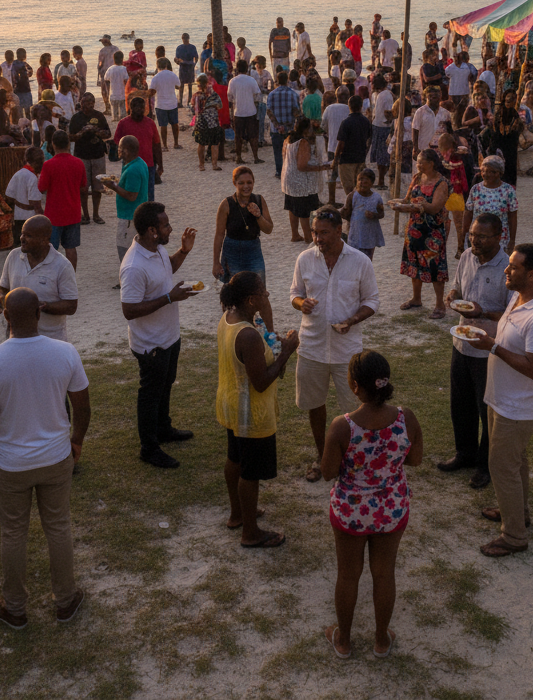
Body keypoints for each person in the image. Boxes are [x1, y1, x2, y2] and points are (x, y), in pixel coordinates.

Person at [0, 287, 90, 628]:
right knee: (58, 527)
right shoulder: (65, 353)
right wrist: (76, 441)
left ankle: (15, 607)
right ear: (39, 314)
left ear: (5, 316)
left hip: (11, 463)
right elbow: (82, 406)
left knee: (13, 533)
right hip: (55, 457)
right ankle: (65, 601)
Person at [322, 350, 423, 659]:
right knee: (384, 573)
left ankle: (344, 641)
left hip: (351, 513)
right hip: (391, 510)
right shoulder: (405, 418)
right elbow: (416, 460)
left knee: (348, 575)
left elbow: (327, 472)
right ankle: (381, 640)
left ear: (354, 386)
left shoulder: (343, 426)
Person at [471, 244, 533, 557]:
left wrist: (493, 348)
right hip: (503, 398)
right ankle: (517, 513)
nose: (506, 271)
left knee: (501, 466)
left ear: (532, 275)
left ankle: (514, 537)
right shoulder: (519, 298)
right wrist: (480, 315)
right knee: (516, 461)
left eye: (513, 267)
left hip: (519, 406)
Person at [290, 207, 380, 483]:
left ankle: (352, 458)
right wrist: (300, 303)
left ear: (339, 231)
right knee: (315, 405)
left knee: (353, 408)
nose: (317, 237)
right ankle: (322, 457)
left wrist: (352, 320)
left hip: (347, 350)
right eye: (315, 232)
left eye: (323, 233)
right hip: (312, 346)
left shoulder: (360, 261)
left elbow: (372, 301)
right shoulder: (305, 259)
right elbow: (294, 293)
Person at [216, 272, 299, 548]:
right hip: (251, 412)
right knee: (250, 472)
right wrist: (287, 352)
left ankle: (237, 514)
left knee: (235, 458)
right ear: (251, 299)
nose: (267, 297)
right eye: (263, 293)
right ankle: (250, 533)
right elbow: (261, 382)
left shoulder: (229, 319)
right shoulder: (248, 335)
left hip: (231, 404)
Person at [119, 202, 198, 468]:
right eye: (165, 225)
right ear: (152, 230)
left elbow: (167, 270)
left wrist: (183, 252)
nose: (170, 228)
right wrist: (168, 298)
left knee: (166, 384)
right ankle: (149, 448)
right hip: (150, 343)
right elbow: (129, 310)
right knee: (151, 394)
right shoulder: (133, 266)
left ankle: (164, 430)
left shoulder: (157, 249)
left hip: (169, 336)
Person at [439, 213, 514, 488]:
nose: (475, 240)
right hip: (462, 341)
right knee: (461, 405)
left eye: (481, 236)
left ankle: (485, 465)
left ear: (499, 237)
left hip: (489, 349)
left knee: (487, 412)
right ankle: (464, 453)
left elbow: (512, 313)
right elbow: (458, 286)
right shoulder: (467, 256)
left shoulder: (507, 267)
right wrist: (453, 297)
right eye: (472, 234)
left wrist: (486, 313)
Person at [0, 216, 78, 342]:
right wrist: (1, 298)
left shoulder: (62, 265)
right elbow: (3, 287)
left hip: (50, 339)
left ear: (44, 240)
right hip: (16, 338)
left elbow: (71, 306)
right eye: (22, 234)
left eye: (29, 236)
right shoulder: (13, 256)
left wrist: (45, 306)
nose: (22, 239)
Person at [213, 167, 274, 326]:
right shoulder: (226, 204)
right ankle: (233, 328)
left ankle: (271, 334)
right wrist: (216, 262)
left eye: (249, 182)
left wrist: (258, 215)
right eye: (241, 183)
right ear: (234, 183)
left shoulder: (259, 200)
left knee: (261, 295)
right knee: (231, 296)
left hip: (253, 251)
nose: (246, 186)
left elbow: (268, 229)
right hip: (232, 252)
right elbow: (219, 234)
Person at [396, 149, 451, 318]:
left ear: (432, 163)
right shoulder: (417, 178)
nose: (418, 165)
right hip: (415, 228)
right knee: (414, 265)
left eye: (421, 162)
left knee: (435, 267)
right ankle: (416, 298)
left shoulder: (442, 183)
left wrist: (419, 204)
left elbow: (435, 208)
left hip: (433, 231)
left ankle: (440, 305)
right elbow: (407, 200)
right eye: (417, 162)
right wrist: (399, 205)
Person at [37, 130, 88, 271]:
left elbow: (41, 188)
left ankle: (51, 277)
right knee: (71, 248)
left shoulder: (48, 165)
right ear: (68, 144)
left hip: (54, 214)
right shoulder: (78, 163)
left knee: (51, 249)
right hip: (73, 212)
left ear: (53, 144)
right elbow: (83, 186)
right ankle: (70, 277)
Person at [281, 117, 329, 244]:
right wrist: (320, 168)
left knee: (292, 207)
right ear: (307, 129)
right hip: (300, 181)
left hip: (288, 178)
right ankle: (308, 237)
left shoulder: (288, 139)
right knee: (304, 211)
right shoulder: (303, 142)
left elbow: (284, 156)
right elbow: (302, 166)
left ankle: (295, 234)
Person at [68, 92, 111, 226]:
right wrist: (82, 132)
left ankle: (96, 214)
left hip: (98, 155)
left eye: (92, 101)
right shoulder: (76, 118)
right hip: (81, 156)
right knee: (83, 188)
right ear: (81, 103)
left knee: (98, 186)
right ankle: (85, 214)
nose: (91, 104)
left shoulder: (99, 116)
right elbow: (70, 137)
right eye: (87, 102)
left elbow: (108, 134)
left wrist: (97, 131)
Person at [114, 95, 162, 202]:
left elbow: (156, 145)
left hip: (148, 165)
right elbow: (117, 142)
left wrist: (160, 164)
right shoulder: (123, 123)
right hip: (129, 165)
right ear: (130, 108)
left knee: (149, 194)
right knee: (130, 192)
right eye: (137, 108)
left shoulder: (150, 123)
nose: (140, 110)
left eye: (142, 108)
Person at [110, 135, 149, 263]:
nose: (118, 150)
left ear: (126, 150)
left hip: (129, 216)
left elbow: (132, 196)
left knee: (125, 249)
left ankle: (126, 281)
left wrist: (113, 187)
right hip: (136, 213)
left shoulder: (133, 169)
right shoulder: (139, 163)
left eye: (120, 148)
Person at [467, 154, 518, 253]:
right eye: (484, 171)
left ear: (500, 173)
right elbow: (468, 213)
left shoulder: (508, 191)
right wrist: (463, 236)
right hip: (477, 238)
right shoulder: (476, 189)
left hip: (500, 239)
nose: (487, 174)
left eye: (492, 172)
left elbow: (512, 217)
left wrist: (512, 241)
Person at [332, 94, 372, 195]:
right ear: (361, 106)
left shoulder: (346, 122)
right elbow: (369, 139)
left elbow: (341, 143)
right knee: (360, 188)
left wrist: (336, 158)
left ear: (349, 106)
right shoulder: (366, 121)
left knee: (349, 190)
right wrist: (365, 151)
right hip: (360, 159)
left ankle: (352, 208)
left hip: (346, 160)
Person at [341, 168, 385, 260]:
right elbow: (345, 212)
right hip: (355, 233)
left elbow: (381, 214)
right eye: (359, 180)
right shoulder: (352, 196)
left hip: (370, 235)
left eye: (365, 182)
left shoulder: (376, 198)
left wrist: (373, 215)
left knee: (367, 260)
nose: (362, 183)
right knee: (353, 259)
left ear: (371, 184)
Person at [4, 147, 45, 245]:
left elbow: (9, 196)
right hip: (31, 219)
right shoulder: (33, 177)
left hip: (18, 216)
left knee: (20, 247)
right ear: (37, 162)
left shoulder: (18, 173)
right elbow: (35, 204)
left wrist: (19, 203)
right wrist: (43, 219)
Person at [267, 69, 301, 178]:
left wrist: (277, 125)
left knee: (278, 152)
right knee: (290, 152)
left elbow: (269, 112)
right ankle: (290, 171)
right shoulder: (293, 94)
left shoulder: (271, 94)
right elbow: (296, 111)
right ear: (287, 80)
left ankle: (279, 172)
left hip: (276, 129)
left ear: (276, 81)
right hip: (289, 128)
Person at [227, 59, 263, 164]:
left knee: (238, 136)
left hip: (238, 112)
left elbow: (230, 97)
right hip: (250, 110)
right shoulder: (251, 80)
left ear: (237, 69)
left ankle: (239, 157)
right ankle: (255, 157)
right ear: (247, 68)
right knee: (253, 135)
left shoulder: (232, 81)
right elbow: (257, 95)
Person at [489, 90, 524, 186]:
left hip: (510, 151)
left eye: (512, 99)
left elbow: (518, 134)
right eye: (507, 98)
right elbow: (494, 136)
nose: (509, 100)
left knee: (509, 177)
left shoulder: (516, 116)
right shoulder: (498, 115)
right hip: (498, 148)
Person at [191, 72, 223, 172]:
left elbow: (193, 107)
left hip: (201, 121)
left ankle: (201, 165)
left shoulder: (196, 95)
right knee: (214, 143)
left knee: (201, 144)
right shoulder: (213, 94)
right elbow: (220, 106)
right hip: (212, 120)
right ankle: (214, 165)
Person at [150, 57, 182, 150]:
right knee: (174, 124)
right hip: (172, 103)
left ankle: (164, 146)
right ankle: (176, 143)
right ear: (167, 65)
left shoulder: (155, 77)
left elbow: (152, 91)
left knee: (163, 126)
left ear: (157, 66)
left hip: (160, 104)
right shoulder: (172, 75)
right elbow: (178, 86)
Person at [369, 75, 395, 187]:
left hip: (380, 127)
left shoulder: (383, 95)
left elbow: (386, 112)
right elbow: (387, 112)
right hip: (381, 127)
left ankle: (381, 181)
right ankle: (381, 181)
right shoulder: (384, 95)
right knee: (383, 156)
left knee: (381, 156)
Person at [412, 86, 447, 154]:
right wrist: (415, 148)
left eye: (436, 96)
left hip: (441, 151)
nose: (434, 99)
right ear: (425, 97)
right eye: (430, 96)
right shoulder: (420, 112)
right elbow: (415, 131)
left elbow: (449, 131)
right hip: (423, 149)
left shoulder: (445, 113)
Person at [322, 87, 349, 161]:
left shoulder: (329, 108)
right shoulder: (350, 109)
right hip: (347, 149)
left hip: (332, 147)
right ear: (348, 97)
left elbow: (323, 127)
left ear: (336, 97)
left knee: (333, 170)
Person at [174, 33, 199, 105]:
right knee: (182, 85)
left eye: (186, 38)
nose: (185, 40)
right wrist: (177, 62)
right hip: (183, 67)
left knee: (190, 85)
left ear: (188, 38)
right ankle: (181, 102)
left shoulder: (192, 47)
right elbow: (177, 58)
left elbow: (196, 57)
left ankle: (190, 101)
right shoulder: (179, 48)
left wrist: (194, 64)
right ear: (182, 39)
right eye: (184, 38)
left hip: (189, 66)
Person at [104, 51, 130, 121]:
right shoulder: (123, 69)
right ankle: (122, 119)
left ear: (113, 59)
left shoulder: (110, 69)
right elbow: (126, 80)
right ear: (122, 59)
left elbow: (106, 79)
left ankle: (115, 118)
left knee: (114, 110)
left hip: (113, 94)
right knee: (123, 111)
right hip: (122, 94)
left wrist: (108, 90)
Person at [98, 34, 118, 114]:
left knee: (104, 91)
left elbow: (100, 63)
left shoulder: (102, 51)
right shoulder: (116, 49)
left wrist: (99, 70)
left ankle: (108, 108)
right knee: (114, 90)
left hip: (105, 72)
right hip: (115, 72)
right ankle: (115, 109)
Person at [10, 48, 35, 116]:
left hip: (17, 89)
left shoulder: (13, 64)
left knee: (20, 110)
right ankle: (27, 123)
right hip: (24, 89)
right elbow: (30, 72)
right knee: (27, 110)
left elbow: (13, 77)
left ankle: (22, 123)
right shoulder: (23, 64)